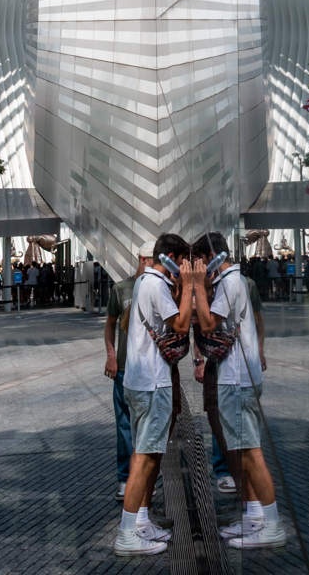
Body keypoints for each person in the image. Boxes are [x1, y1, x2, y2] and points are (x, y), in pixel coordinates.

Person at [193, 233, 285, 551]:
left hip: (238, 380)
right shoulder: (232, 281)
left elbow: (208, 324)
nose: (196, 266)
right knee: (244, 453)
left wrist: (197, 286)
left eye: (199, 260)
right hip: (238, 378)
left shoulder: (231, 283)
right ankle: (255, 516)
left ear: (212, 257)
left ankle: (272, 525)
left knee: (251, 454)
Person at [113, 233, 194, 556]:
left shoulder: (143, 282)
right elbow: (181, 325)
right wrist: (189, 286)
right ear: (171, 258)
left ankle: (141, 521)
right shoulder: (157, 285)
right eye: (183, 260)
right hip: (152, 382)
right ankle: (127, 534)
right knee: (145, 458)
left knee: (143, 454)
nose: (185, 266)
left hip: (138, 380)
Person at [104, 241, 155, 501]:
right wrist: (111, 356)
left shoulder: (161, 288)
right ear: (143, 260)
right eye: (154, 260)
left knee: (150, 427)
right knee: (125, 425)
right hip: (124, 367)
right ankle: (125, 478)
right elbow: (110, 324)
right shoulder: (121, 288)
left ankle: (145, 477)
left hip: (151, 369)